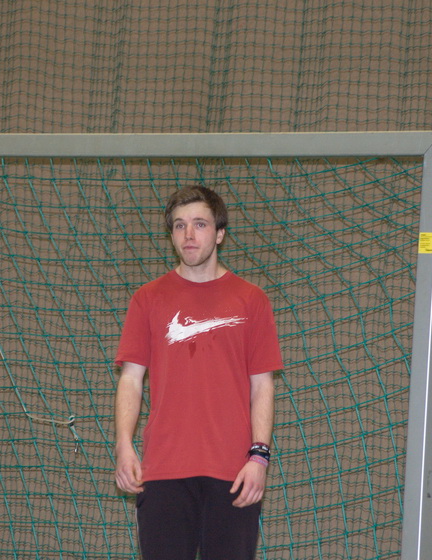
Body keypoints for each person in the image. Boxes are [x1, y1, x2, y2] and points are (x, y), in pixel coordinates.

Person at [113, 185, 283, 560]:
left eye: (200, 224)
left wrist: (259, 458)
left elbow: (262, 386)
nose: (189, 234)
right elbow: (131, 379)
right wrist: (124, 444)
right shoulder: (147, 299)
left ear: (220, 233)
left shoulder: (252, 300)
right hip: (163, 472)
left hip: (233, 473)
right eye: (179, 225)